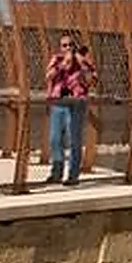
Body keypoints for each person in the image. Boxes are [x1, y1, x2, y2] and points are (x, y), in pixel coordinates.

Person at [44, 33, 93, 186]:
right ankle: (56, 172)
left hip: (76, 102)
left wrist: (81, 66)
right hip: (59, 102)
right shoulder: (57, 59)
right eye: (64, 45)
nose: (67, 48)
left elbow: (92, 79)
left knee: (74, 139)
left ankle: (73, 175)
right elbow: (48, 76)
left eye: (70, 45)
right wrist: (61, 66)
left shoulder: (82, 61)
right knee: (55, 139)